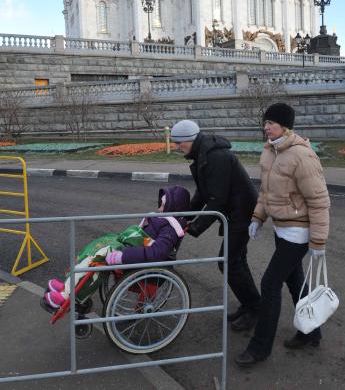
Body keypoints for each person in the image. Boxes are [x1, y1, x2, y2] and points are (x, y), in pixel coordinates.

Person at [235, 102, 330, 366]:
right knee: (295, 281)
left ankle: (259, 348)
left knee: (270, 284)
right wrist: (258, 216)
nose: (265, 127)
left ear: (285, 127)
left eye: (271, 123)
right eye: (265, 123)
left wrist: (318, 240)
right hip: (281, 228)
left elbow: (319, 200)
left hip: (298, 233)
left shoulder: (302, 156)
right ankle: (311, 331)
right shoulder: (270, 152)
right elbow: (267, 193)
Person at [170, 119, 261, 331]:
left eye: (178, 143)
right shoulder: (204, 154)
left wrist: (194, 227)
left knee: (229, 262)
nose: (176, 147)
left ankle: (256, 309)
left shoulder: (216, 157)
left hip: (242, 212)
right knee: (236, 261)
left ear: (190, 140)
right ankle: (249, 305)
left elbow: (217, 199)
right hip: (235, 211)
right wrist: (184, 216)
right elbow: (203, 192)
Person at [42, 186, 190, 310]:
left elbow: (156, 253)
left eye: (163, 206)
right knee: (97, 247)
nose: (159, 209)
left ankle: (67, 296)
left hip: (137, 259)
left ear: (173, 207)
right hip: (133, 250)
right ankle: (68, 286)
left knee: (100, 258)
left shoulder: (170, 229)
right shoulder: (163, 221)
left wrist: (122, 256)